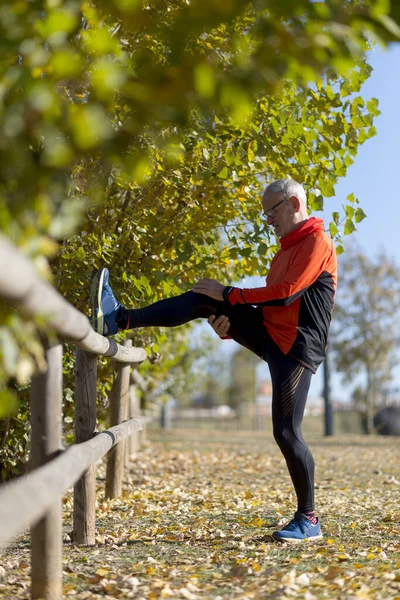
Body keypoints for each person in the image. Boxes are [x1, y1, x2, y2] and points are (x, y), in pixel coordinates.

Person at [90, 178, 337, 542]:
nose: (267, 219)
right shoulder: (285, 249)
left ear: (294, 204)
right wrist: (229, 325)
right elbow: (269, 307)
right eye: (264, 212)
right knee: (204, 297)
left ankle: (309, 519)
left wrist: (231, 294)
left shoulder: (317, 241)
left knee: (286, 432)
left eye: (272, 210)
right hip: (272, 334)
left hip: (297, 348)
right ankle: (118, 319)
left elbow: (285, 295)